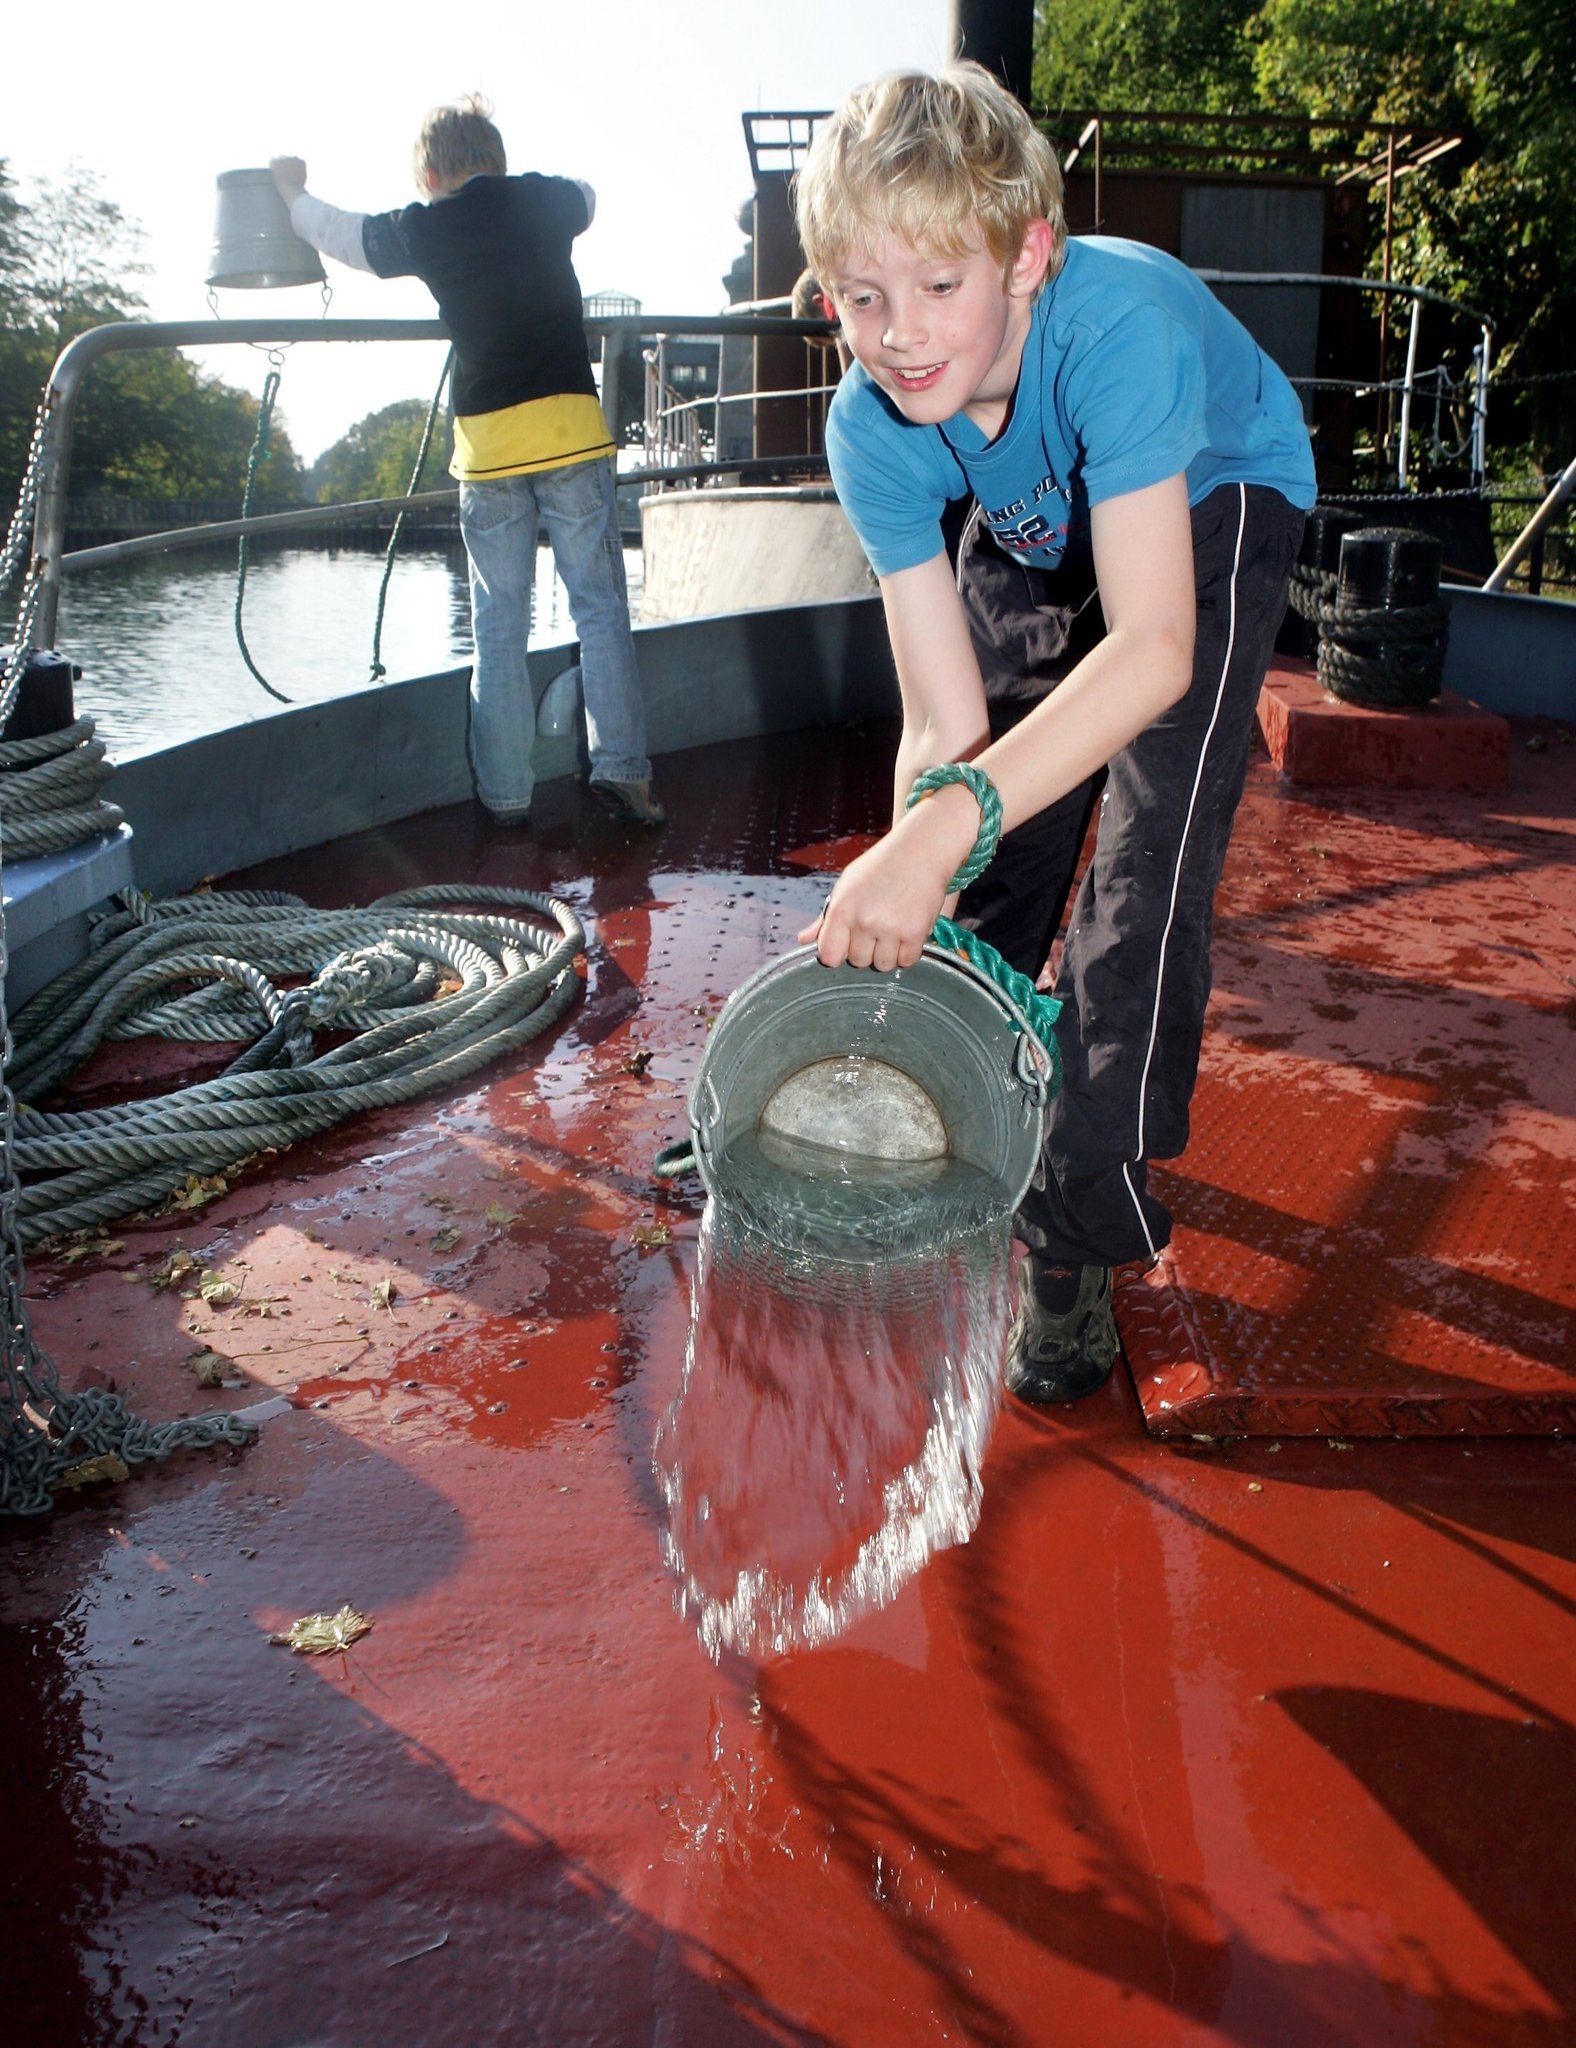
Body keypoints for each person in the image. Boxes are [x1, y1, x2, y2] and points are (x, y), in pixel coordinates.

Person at [793, 65, 1315, 1403]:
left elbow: (1148, 649)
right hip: (1037, 532)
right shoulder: (877, 426)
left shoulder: (1113, 328)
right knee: (988, 854)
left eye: (938, 287)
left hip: (1213, 504)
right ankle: (950, 1084)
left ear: (1028, 255)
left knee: (1139, 882)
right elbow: (945, 719)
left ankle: (1075, 1231)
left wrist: (934, 837)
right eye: (863, 297)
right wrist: (926, 863)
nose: (902, 335)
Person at [271, 97, 662, 829]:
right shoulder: (542, 200)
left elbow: (340, 235)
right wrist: (534, 190)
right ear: (498, 159)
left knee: (498, 626)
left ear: (428, 172)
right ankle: (622, 770)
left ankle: (507, 797)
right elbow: (588, 196)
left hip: (489, 454)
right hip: (572, 436)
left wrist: (291, 190)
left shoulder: (425, 227)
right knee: (601, 612)